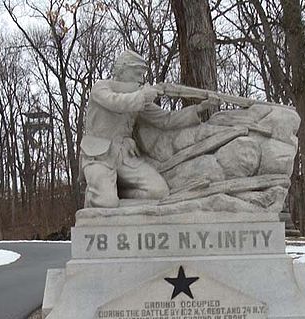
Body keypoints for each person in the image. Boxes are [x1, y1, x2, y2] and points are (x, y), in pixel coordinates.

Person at [80, 50, 218, 208]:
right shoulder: (101, 87)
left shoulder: (138, 97)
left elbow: (166, 120)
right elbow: (116, 103)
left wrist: (199, 108)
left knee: (158, 192)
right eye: (137, 74)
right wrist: (143, 96)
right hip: (99, 156)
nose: (140, 79)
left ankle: (118, 194)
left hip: (125, 156)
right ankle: (102, 196)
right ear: (123, 69)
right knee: (105, 203)